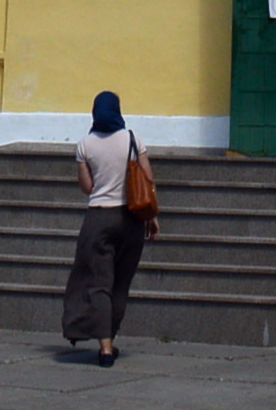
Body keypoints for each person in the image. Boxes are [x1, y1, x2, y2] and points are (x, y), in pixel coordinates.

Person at [62, 91, 155, 366]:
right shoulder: (132, 139)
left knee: (99, 283)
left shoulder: (85, 145)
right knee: (121, 284)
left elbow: (87, 188)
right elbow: (148, 179)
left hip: (100, 219)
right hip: (132, 219)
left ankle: (104, 348)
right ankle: (110, 339)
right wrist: (152, 216)